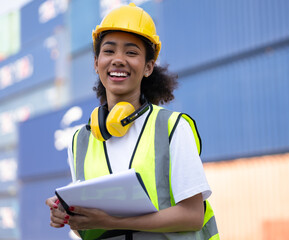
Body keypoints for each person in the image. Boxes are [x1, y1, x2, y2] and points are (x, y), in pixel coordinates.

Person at [45, 3, 219, 240]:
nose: (118, 60)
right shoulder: (79, 141)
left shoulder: (172, 127)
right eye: (109, 51)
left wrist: (112, 221)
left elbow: (193, 215)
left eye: (131, 52)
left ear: (148, 67)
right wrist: (66, 214)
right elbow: (86, 228)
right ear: (96, 63)